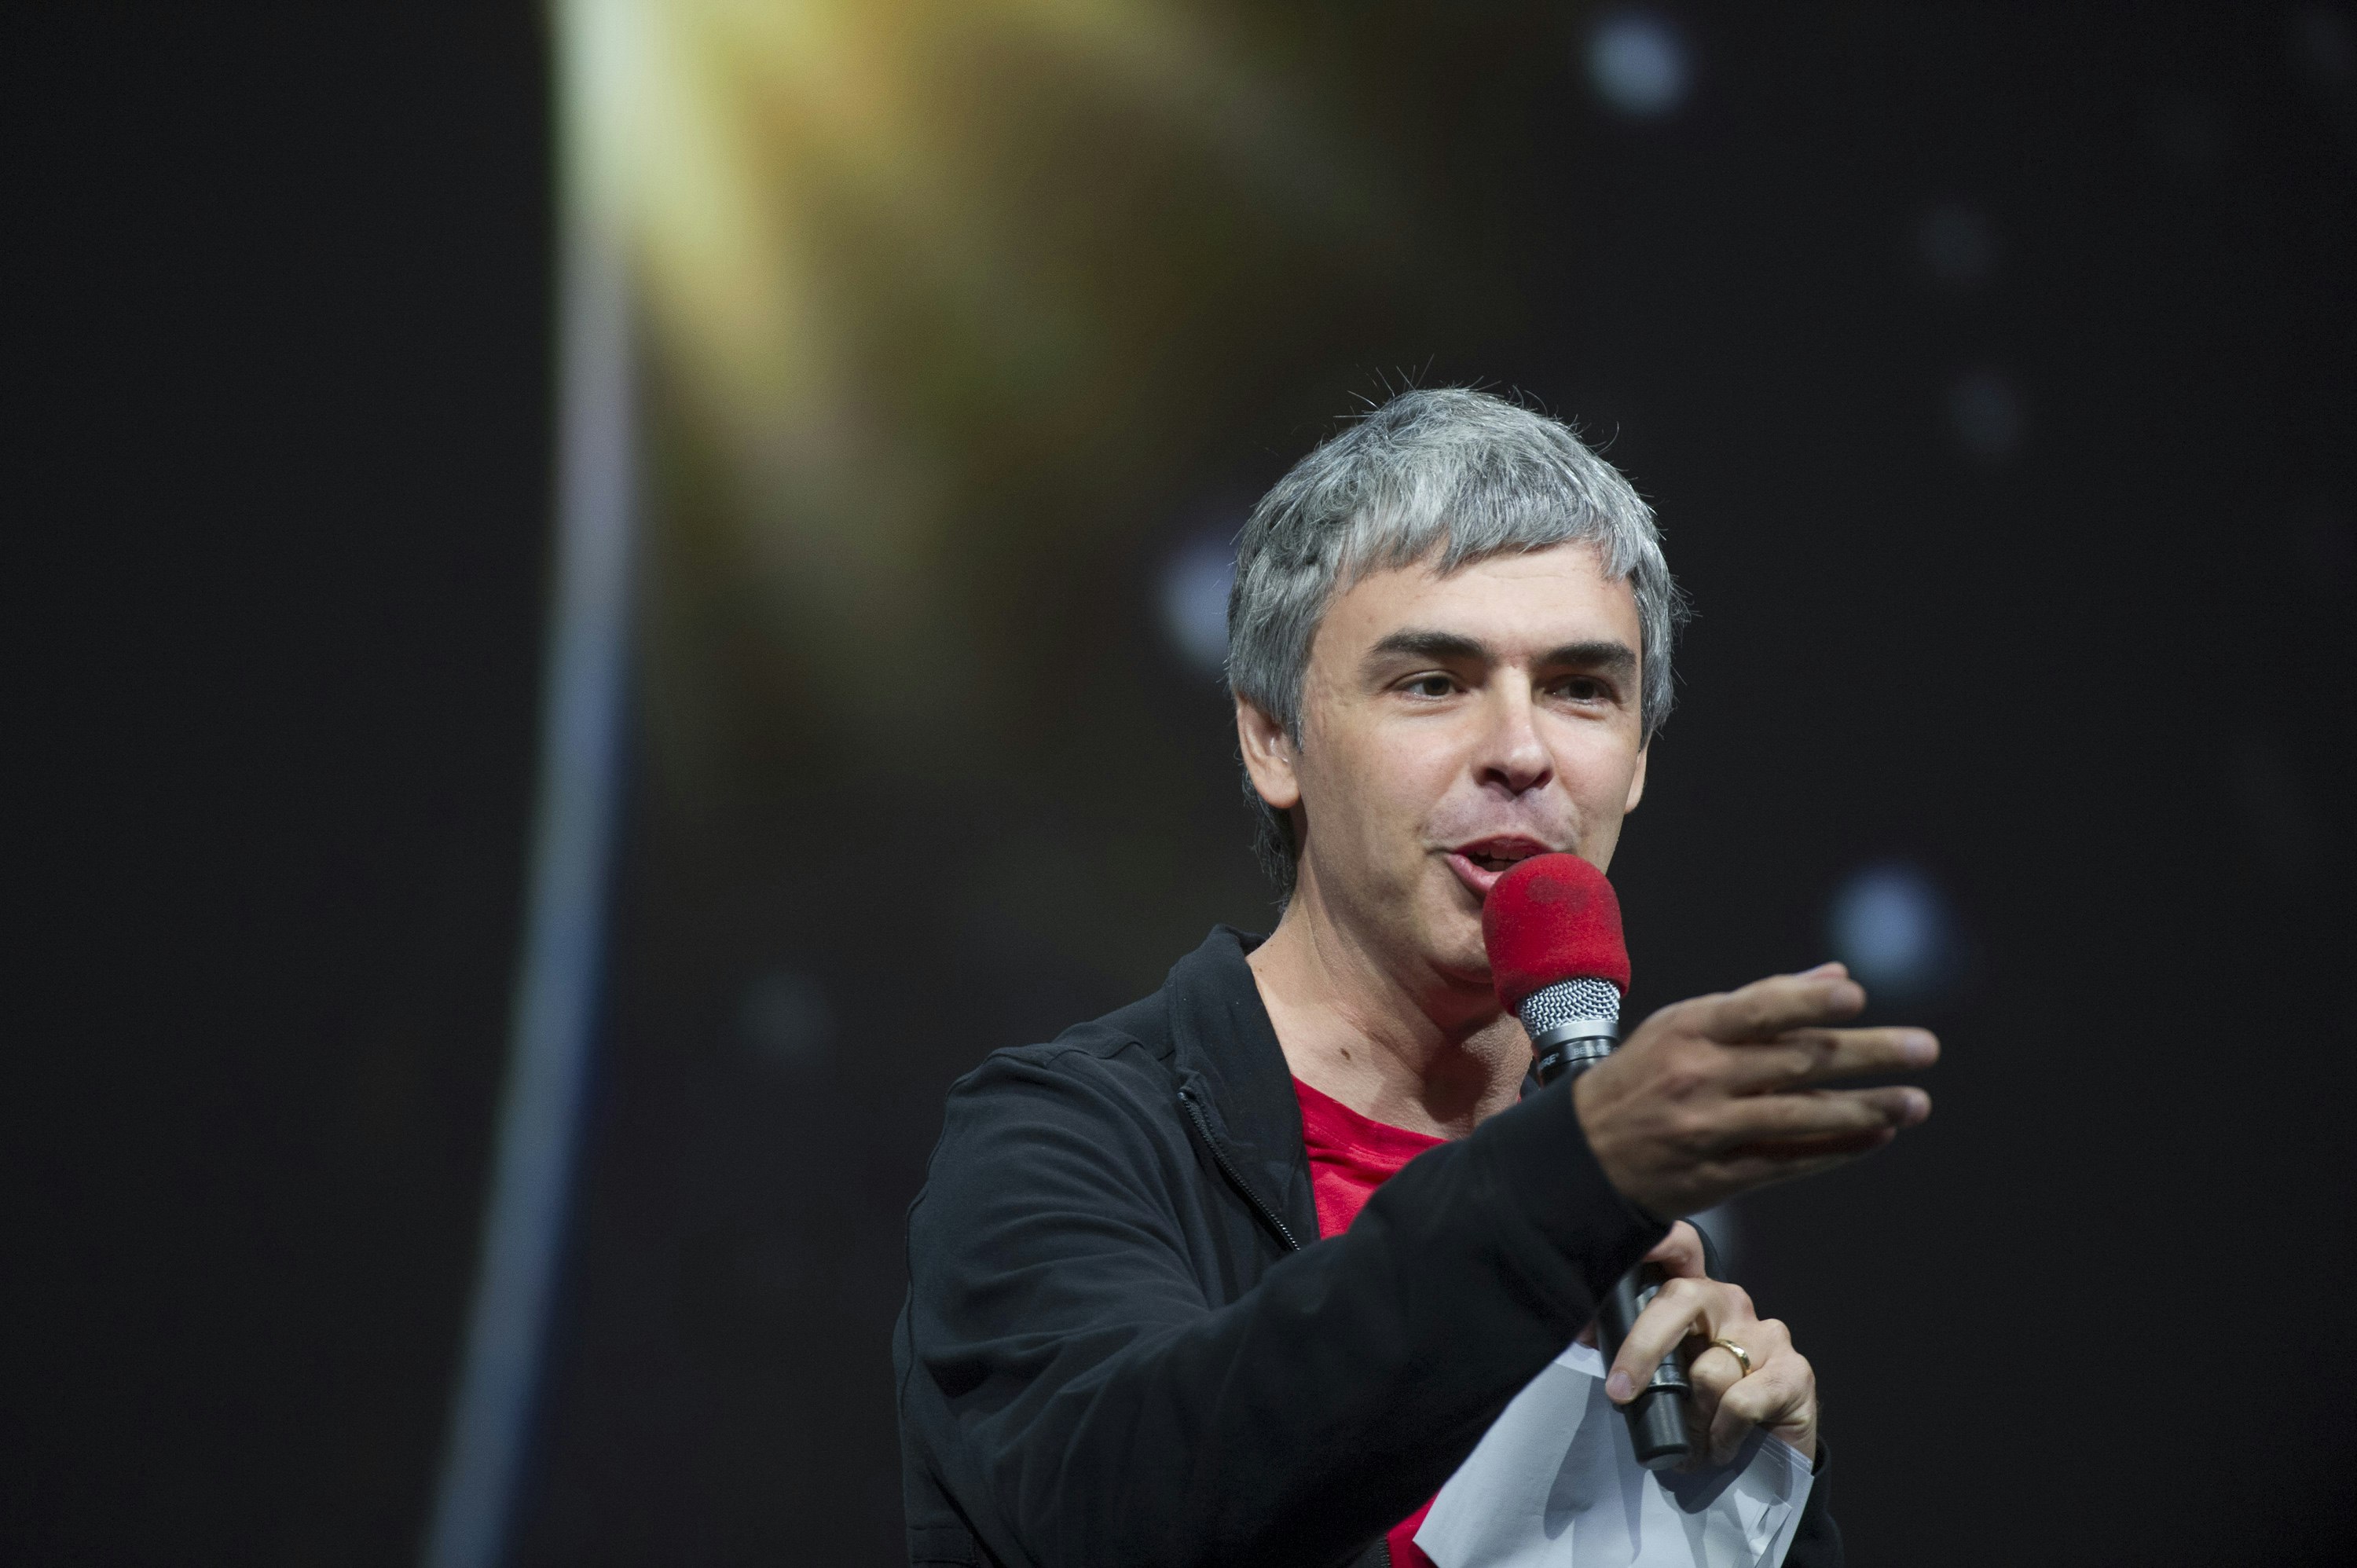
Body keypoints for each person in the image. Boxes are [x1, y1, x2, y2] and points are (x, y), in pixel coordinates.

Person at [894, 389, 1937, 1567]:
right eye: (1433, 682)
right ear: (1272, 740)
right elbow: (1136, 1506)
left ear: (1639, 760)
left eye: (1582, 688)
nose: (1522, 750)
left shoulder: (1639, 1250)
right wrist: (1575, 1180)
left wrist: (1768, 1506)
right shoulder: (1061, 1138)